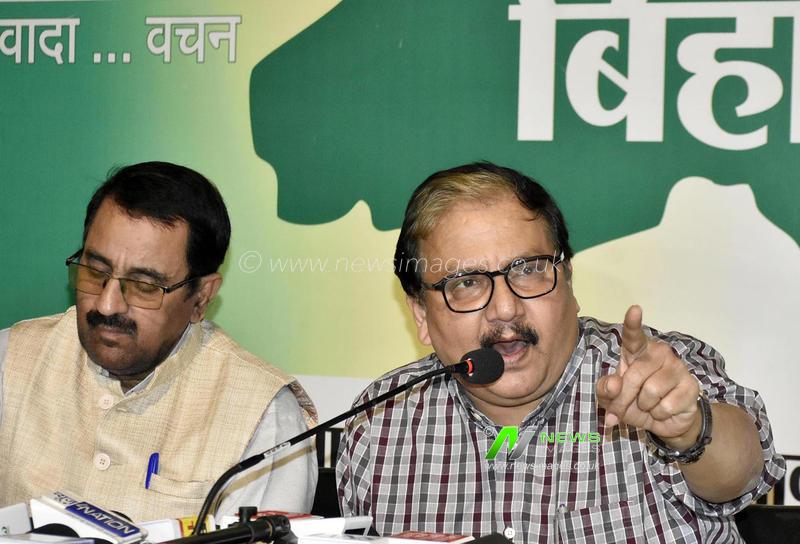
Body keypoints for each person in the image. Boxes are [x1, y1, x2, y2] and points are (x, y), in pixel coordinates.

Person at [336, 162, 785, 543]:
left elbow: (741, 474)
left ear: (567, 279)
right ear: (420, 313)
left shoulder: (647, 375)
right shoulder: (380, 425)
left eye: (528, 270)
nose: (505, 308)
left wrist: (690, 430)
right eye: (467, 283)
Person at [0, 162, 317, 522]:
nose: (107, 304)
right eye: (95, 271)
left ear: (201, 296)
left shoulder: (264, 415)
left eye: (145, 286)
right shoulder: (11, 361)